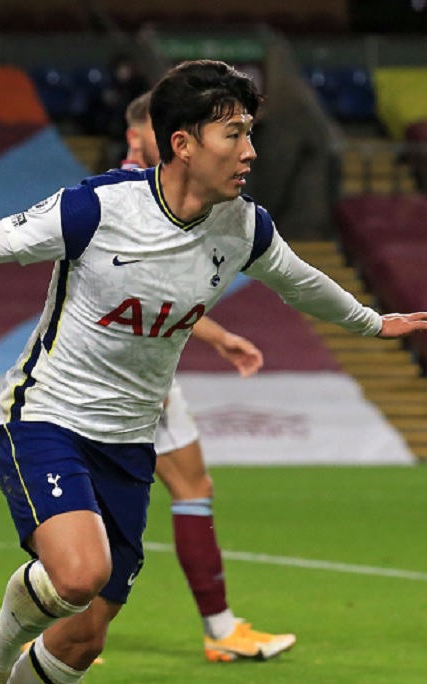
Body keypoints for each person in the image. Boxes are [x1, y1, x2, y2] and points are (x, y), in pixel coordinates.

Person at [0, 59, 427, 684]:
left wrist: (374, 324)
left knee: (80, 641)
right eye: (233, 134)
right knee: (79, 573)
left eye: (251, 133)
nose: (250, 152)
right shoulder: (96, 209)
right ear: (183, 143)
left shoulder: (244, 228)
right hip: (47, 418)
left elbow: (303, 282)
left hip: (130, 444)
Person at [120, 91, 296, 662]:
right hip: (118, 373)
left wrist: (219, 338)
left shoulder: (174, 199)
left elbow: (168, 295)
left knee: (189, 488)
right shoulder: (127, 199)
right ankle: (64, 625)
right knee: (102, 500)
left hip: (151, 367)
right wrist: (219, 337)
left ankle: (220, 629)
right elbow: (146, 295)